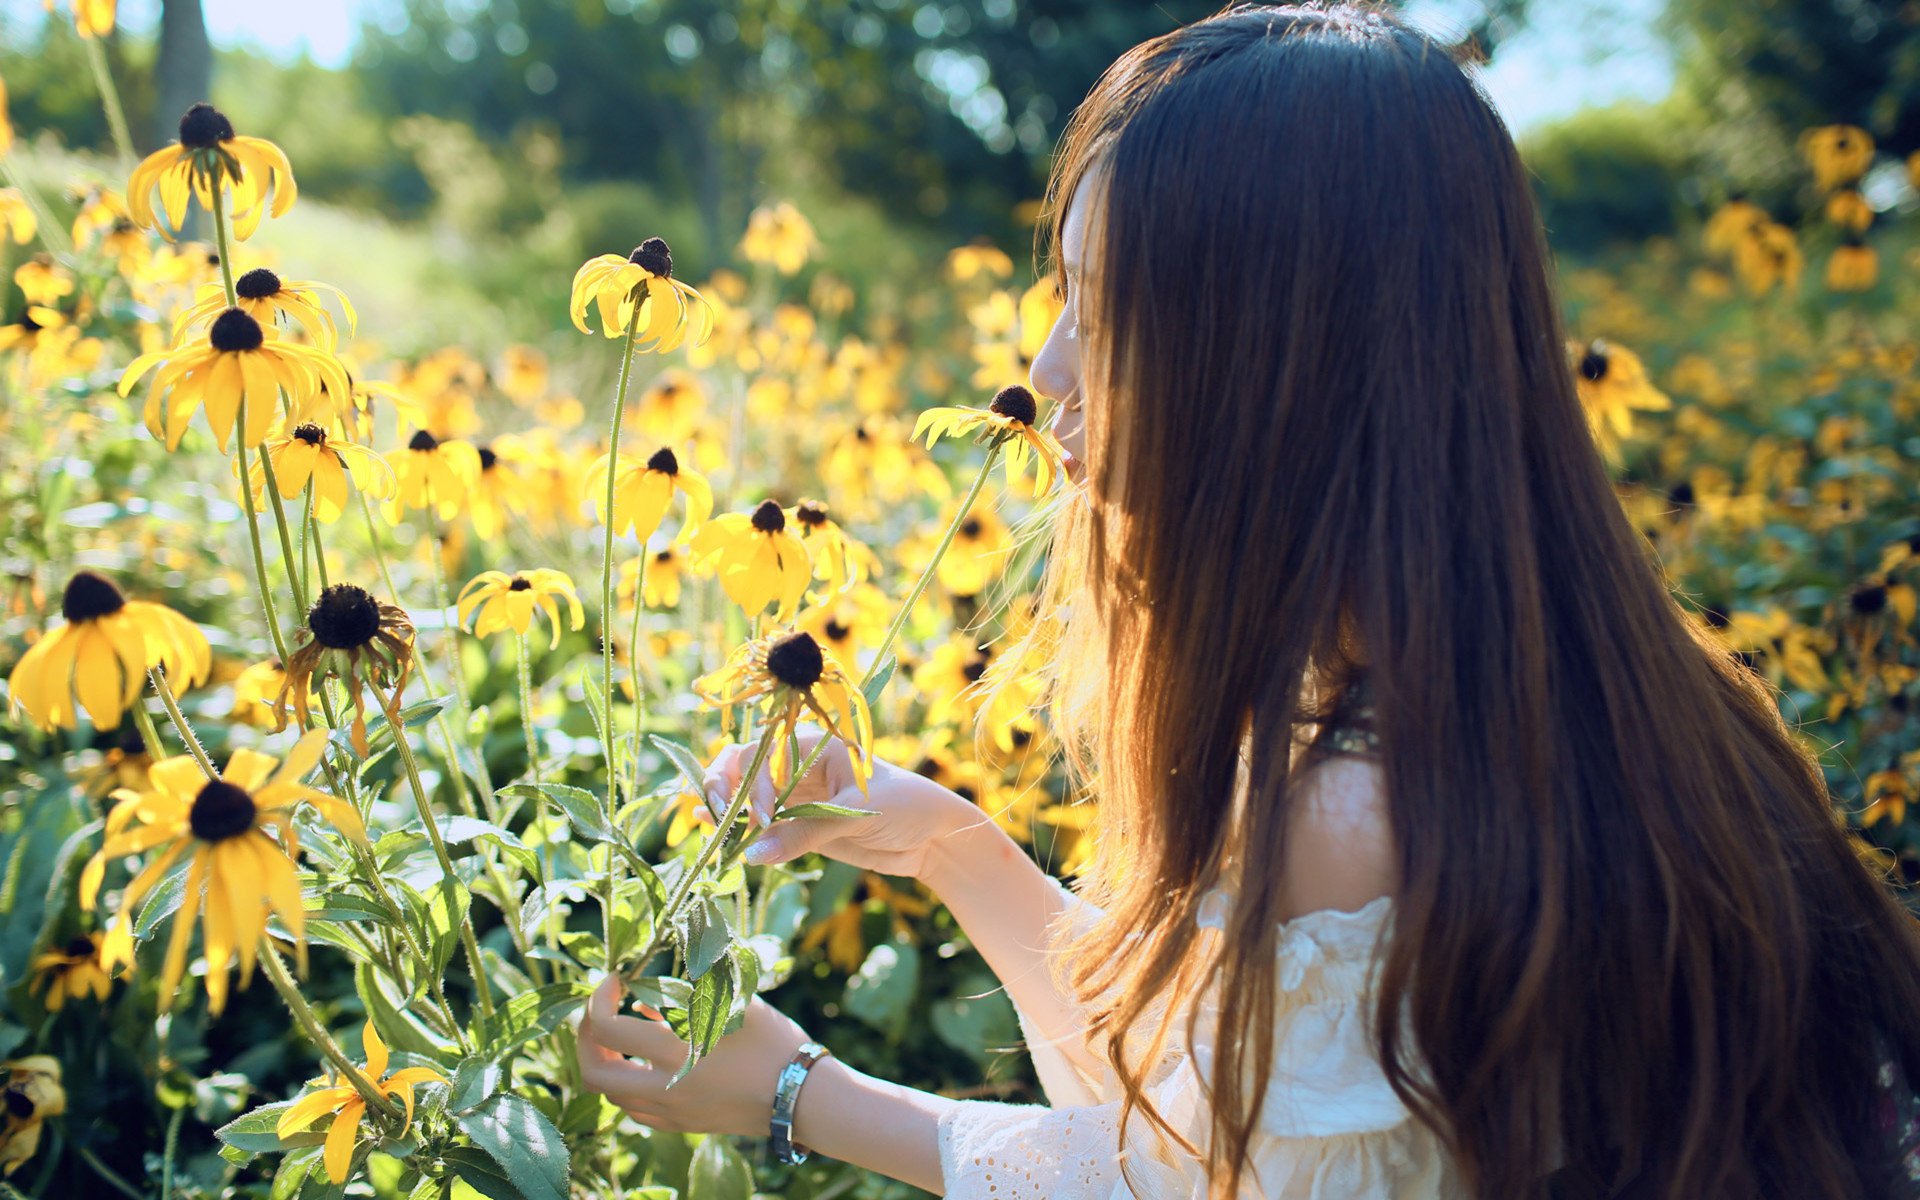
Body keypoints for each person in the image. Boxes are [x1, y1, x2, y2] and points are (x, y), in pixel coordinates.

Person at [573, 3, 1920, 1195]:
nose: (1045, 374)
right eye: (1060, 298)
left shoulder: (1362, 804)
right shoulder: (1558, 678)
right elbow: (1228, 1089)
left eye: (1107, 311)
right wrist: (946, 846)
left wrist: (801, 1096)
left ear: (1283, 364)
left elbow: (1197, 1180)